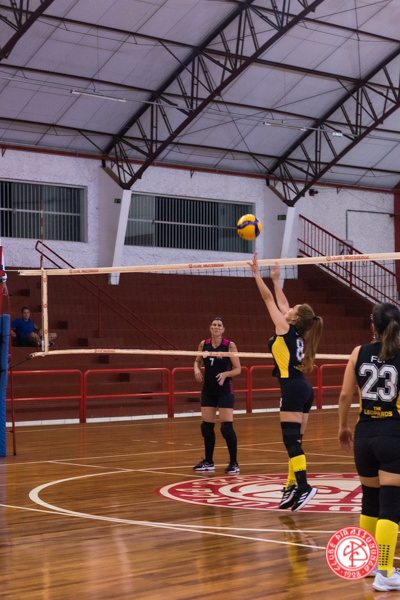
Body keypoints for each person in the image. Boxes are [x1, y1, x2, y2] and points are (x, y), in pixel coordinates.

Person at [248, 253, 323, 511]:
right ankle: (292, 486)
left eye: (292, 309)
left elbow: (269, 299)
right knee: (295, 442)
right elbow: (282, 303)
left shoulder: (285, 328)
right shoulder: (295, 331)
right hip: (303, 388)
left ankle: (304, 487)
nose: (288, 308)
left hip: (292, 388)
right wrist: (276, 280)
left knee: (291, 442)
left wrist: (256, 274)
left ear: (294, 317)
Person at [338, 302, 400, 592]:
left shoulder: (357, 352)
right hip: (392, 434)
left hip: (363, 435)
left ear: (373, 325)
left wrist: (343, 427)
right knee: (390, 506)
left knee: (370, 501)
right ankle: (385, 573)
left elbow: (344, 395)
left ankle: (370, 564)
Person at [193, 317, 241, 474]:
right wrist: (196, 369)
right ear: (210, 328)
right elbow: (197, 361)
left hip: (224, 390)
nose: (216, 327)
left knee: (226, 428)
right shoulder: (203, 344)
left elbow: (238, 369)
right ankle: (208, 461)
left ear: (223, 329)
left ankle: (234, 463)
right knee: (206, 427)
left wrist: (225, 374)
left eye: (219, 325)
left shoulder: (229, 345)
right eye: (214, 325)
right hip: (208, 390)